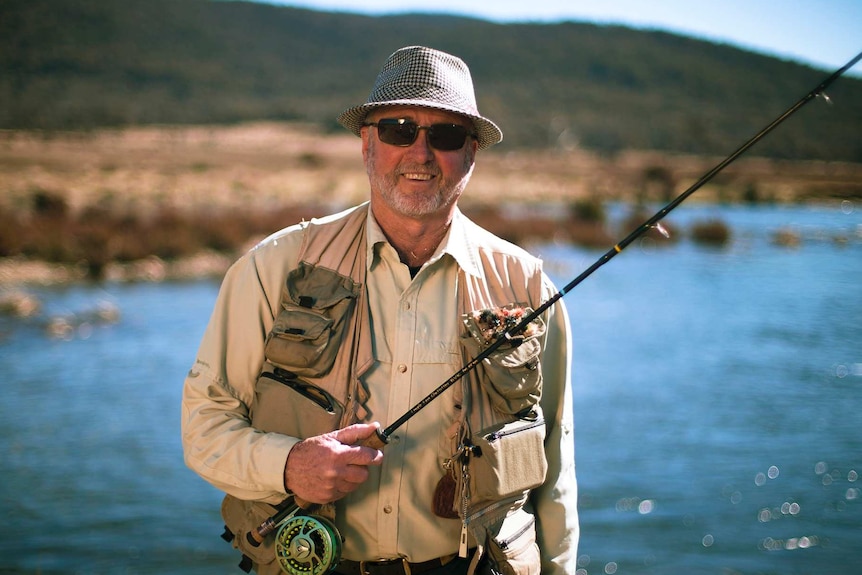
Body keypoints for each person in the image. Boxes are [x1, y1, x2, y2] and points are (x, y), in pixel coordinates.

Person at [182, 45, 578, 575]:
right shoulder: (272, 268)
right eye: (398, 128)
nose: (420, 153)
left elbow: (556, 470)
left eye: (445, 135)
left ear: (472, 153)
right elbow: (204, 427)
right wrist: (288, 466)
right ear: (366, 142)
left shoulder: (527, 285)